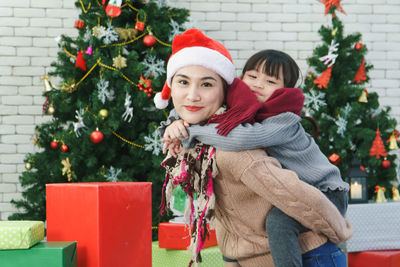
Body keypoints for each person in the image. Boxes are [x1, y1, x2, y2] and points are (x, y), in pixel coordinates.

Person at [156, 28, 352, 267]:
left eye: (270, 82)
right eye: (252, 76)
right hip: (297, 206)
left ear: (283, 90)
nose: (258, 85)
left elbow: (240, 138)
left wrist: (191, 132)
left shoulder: (283, 119)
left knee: (278, 222)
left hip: (326, 190)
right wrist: (173, 124)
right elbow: (194, 109)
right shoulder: (241, 110)